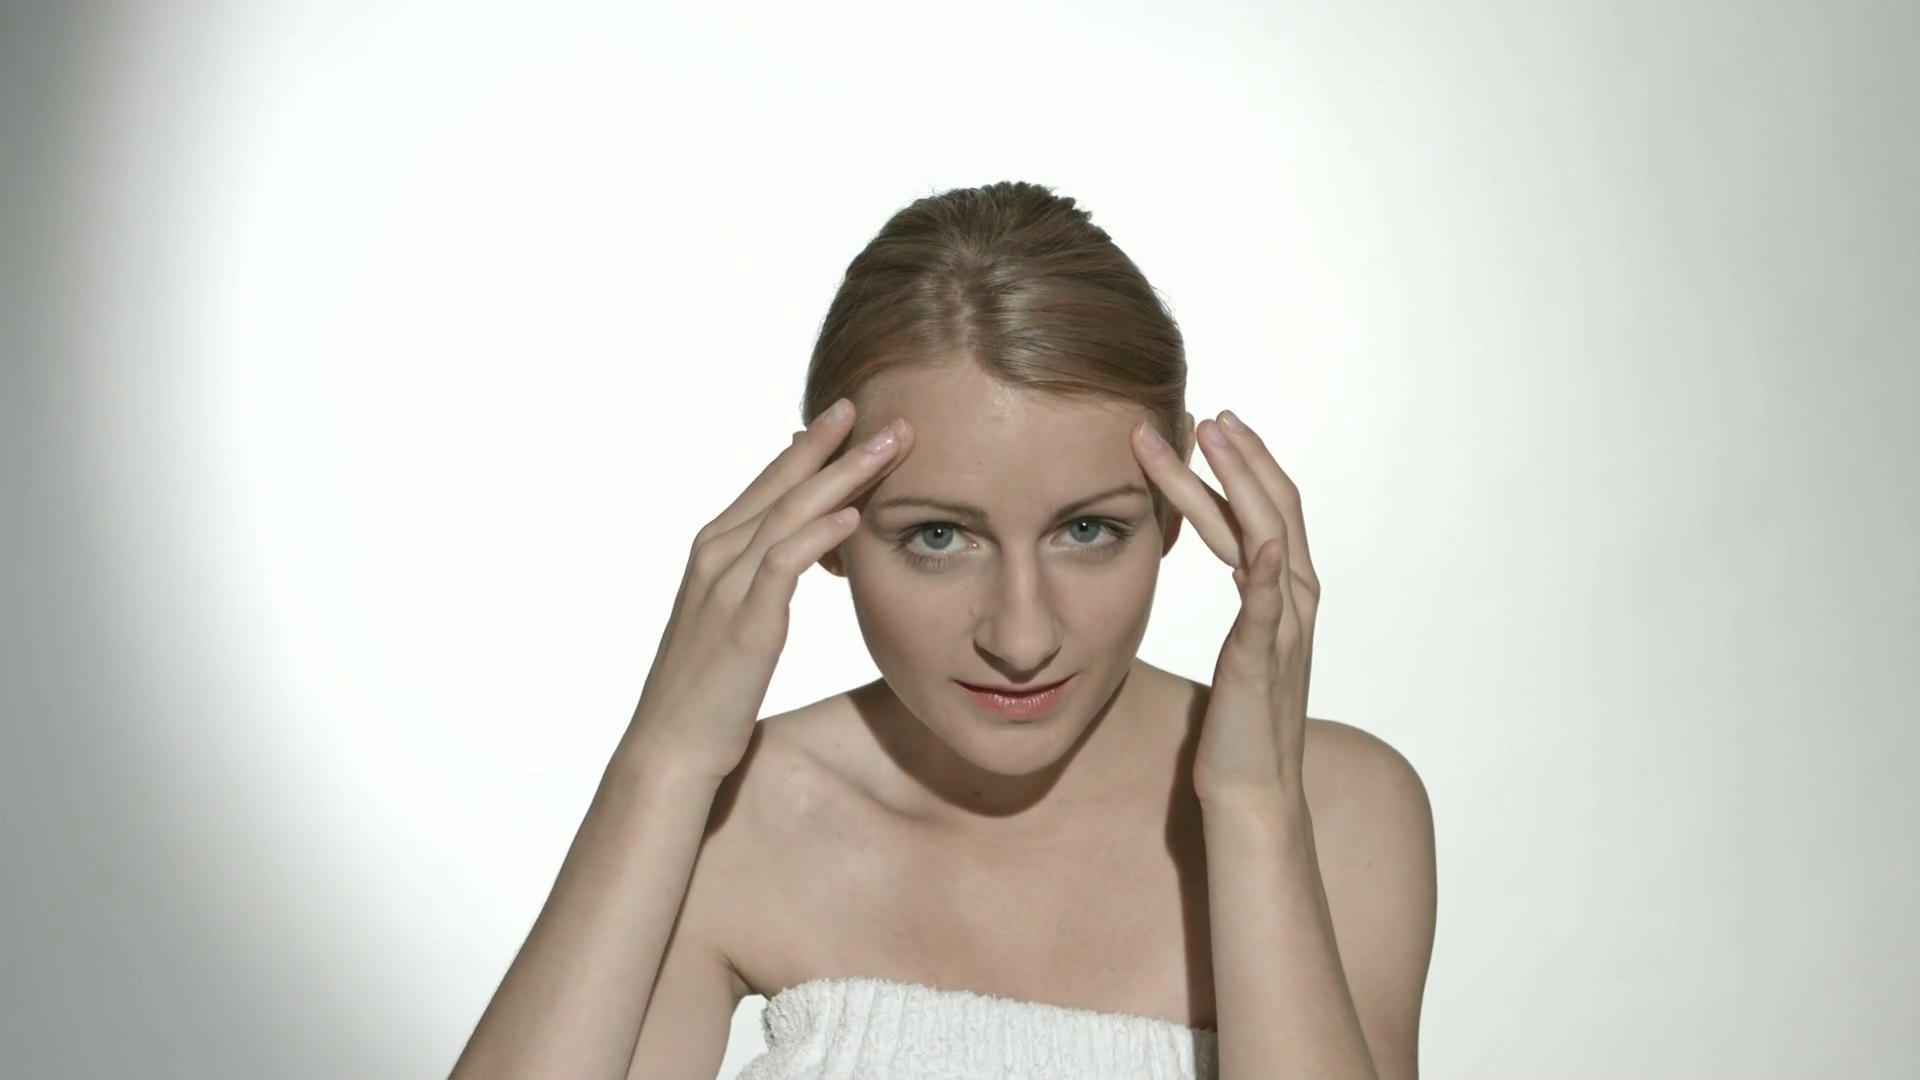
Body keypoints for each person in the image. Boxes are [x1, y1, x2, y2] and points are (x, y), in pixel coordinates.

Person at [448, 181, 1438, 1080]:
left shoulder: (1337, 808)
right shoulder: (732, 818)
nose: (1021, 637)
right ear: (819, 515)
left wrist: (1255, 811)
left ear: (1176, 505)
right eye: (937, 537)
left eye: (1087, 531)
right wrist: (662, 761)